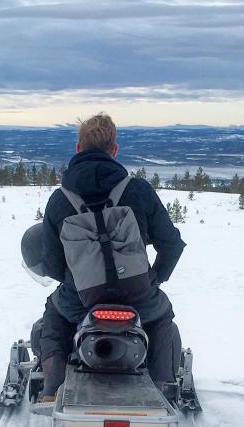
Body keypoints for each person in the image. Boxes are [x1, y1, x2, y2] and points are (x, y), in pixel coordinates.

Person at [37, 112, 186, 400]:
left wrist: (74, 278)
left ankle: (52, 388)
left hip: (81, 299)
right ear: (114, 150)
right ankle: (163, 389)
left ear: (78, 148)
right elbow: (172, 244)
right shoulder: (138, 190)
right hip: (138, 298)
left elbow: (53, 263)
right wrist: (154, 279)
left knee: (54, 316)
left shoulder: (60, 199)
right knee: (161, 316)